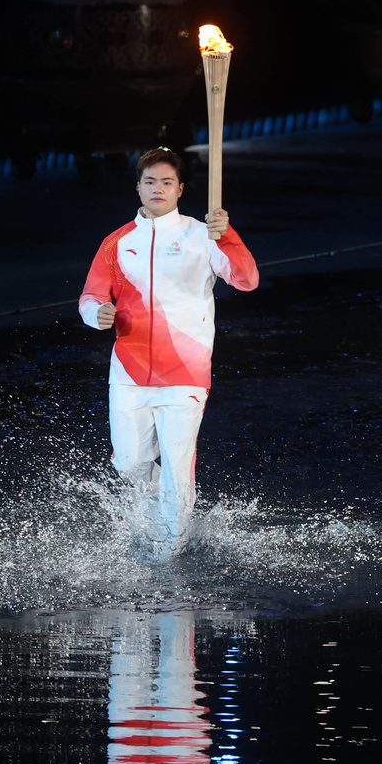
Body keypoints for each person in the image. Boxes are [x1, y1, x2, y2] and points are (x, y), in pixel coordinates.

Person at [78, 149, 259, 560]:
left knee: (177, 465)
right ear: (138, 187)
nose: (157, 189)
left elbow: (247, 281)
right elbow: (90, 295)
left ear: (179, 189)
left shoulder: (202, 235)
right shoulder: (117, 242)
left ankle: (169, 554)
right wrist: (97, 314)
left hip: (186, 373)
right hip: (128, 372)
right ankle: (166, 517)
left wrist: (227, 235)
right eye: (149, 182)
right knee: (128, 464)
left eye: (166, 182)